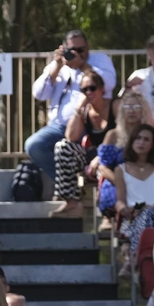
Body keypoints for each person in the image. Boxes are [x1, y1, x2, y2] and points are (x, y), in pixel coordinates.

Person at [26, 30, 118, 182]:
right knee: (33, 146)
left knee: (66, 148)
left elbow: (109, 83)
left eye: (81, 50)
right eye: (72, 50)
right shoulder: (58, 65)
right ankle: (69, 185)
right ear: (64, 48)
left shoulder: (99, 60)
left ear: (88, 48)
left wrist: (82, 65)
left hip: (86, 126)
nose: (77, 54)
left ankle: (70, 187)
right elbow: (39, 94)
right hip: (58, 126)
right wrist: (56, 66)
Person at [50, 69, 112, 214]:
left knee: (103, 168)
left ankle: (107, 213)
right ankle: (71, 200)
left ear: (102, 89)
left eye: (92, 88)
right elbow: (70, 137)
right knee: (62, 147)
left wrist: (101, 157)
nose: (89, 92)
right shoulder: (85, 111)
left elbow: (121, 136)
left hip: (113, 154)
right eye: (84, 89)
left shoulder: (113, 106)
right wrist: (79, 109)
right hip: (91, 156)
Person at [107, 124, 154, 261]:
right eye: (138, 138)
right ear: (132, 141)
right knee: (135, 221)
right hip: (131, 217)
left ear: (153, 144)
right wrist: (124, 209)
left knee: (147, 215)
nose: (141, 142)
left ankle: (133, 257)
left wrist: (145, 209)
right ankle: (135, 256)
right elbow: (120, 200)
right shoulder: (120, 169)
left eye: (146, 139)